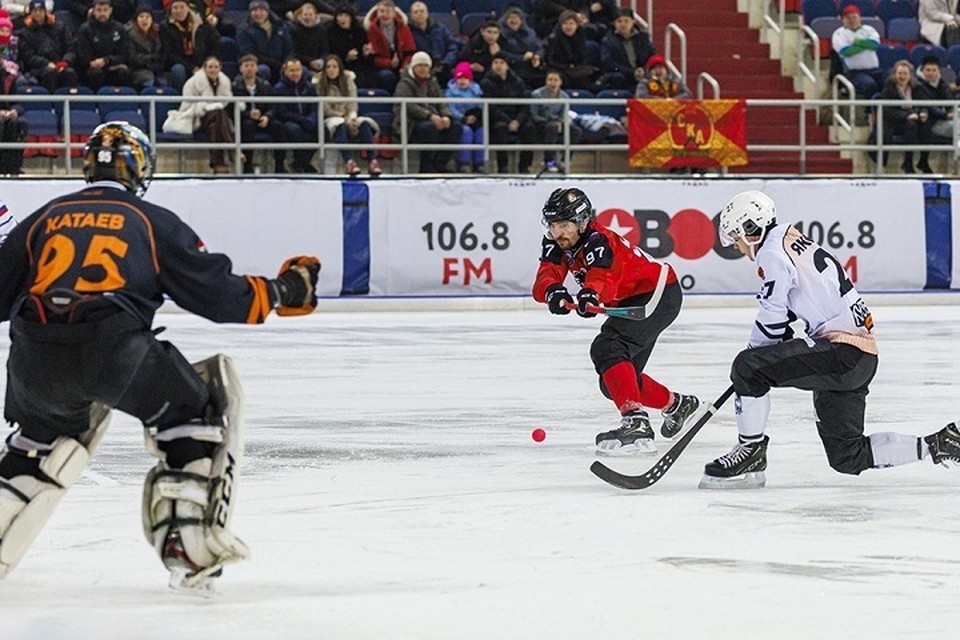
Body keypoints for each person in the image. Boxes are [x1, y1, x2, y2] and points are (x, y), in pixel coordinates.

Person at [0, 121, 320, 589]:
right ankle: (185, 540)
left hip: (33, 358)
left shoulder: (44, 218)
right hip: (114, 350)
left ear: (88, 165)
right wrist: (284, 289)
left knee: (39, 442)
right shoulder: (151, 220)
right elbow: (218, 296)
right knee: (197, 409)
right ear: (141, 167)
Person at [701, 190, 960, 489]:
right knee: (846, 456)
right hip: (858, 357)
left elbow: (772, 313)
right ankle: (938, 445)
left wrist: (750, 364)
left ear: (751, 227)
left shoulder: (770, 253)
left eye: (736, 234)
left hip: (842, 352)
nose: (735, 244)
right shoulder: (788, 238)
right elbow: (798, 302)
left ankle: (750, 450)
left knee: (748, 366)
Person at [532, 187, 700, 455]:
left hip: (656, 292)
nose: (558, 232)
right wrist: (552, 290)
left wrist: (590, 293)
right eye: (553, 225)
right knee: (615, 382)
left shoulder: (599, 240)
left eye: (564, 225)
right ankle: (678, 405)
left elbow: (603, 277)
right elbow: (545, 276)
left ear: (582, 221)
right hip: (630, 300)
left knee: (607, 348)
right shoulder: (555, 242)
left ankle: (636, 423)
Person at [392, 50, 461, 173]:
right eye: (419, 65)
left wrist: (446, 116)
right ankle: (426, 166)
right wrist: (429, 116)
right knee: (429, 128)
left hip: (433, 118)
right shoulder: (404, 83)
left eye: (425, 66)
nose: (422, 69)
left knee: (455, 126)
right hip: (410, 122)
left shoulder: (432, 82)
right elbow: (409, 106)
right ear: (413, 66)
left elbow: (441, 101)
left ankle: (440, 164)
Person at [314, 53, 382, 176]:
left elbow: (352, 102)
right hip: (331, 118)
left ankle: (373, 160)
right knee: (338, 125)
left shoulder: (348, 81)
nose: (331, 70)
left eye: (334, 66)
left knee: (364, 123)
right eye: (328, 67)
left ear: (340, 68)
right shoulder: (319, 84)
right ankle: (349, 162)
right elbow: (325, 108)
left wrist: (351, 117)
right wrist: (343, 118)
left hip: (348, 116)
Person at [179, 55, 236, 173]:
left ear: (220, 68)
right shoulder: (192, 83)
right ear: (204, 68)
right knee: (218, 112)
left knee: (214, 125)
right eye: (210, 67)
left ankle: (218, 164)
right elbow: (188, 105)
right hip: (196, 116)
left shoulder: (225, 83)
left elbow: (227, 102)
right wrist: (206, 107)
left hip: (216, 121)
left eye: (216, 67)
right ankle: (232, 148)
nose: (213, 70)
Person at [232, 52, 287, 173]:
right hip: (245, 119)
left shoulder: (265, 86)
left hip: (263, 118)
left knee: (278, 126)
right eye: (246, 65)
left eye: (252, 65)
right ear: (241, 68)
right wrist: (248, 114)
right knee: (247, 126)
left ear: (257, 68)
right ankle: (247, 165)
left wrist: (267, 116)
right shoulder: (235, 86)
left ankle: (279, 164)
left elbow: (273, 107)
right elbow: (231, 110)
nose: (249, 68)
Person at [481, 52, 535, 174]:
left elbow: (524, 105)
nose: (498, 65)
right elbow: (491, 107)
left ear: (507, 65)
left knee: (529, 128)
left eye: (502, 63)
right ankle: (503, 166)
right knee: (500, 128)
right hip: (498, 118)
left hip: (516, 117)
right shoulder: (486, 83)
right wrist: (508, 121)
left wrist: (517, 121)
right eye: (495, 63)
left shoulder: (517, 82)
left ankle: (524, 166)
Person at [874, 60, 925, 174]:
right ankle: (908, 163)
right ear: (895, 74)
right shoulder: (889, 88)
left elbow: (923, 104)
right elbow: (887, 110)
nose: (902, 76)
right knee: (911, 125)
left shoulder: (916, 88)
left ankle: (921, 162)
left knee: (922, 126)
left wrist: (922, 112)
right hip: (893, 122)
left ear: (910, 75)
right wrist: (906, 116)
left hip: (912, 121)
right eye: (900, 73)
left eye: (905, 74)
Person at [16, 0, 78, 94]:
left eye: (40, 10)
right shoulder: (25, 33)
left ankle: (71, 105)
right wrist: (46, 63)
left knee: (70, 73)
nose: (37, 13)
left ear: (45, 11)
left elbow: (70, 48)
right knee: (50, 74)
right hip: (39, 68)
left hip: (61, 64)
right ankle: (50, 104)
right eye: (35, 10)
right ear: (30, 13)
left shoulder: (60, 27)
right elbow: (28, 57)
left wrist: (65, 62)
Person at [159, 0, 219, 92]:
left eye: (182, 7)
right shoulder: (165, 27)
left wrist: (205, 64)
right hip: (180, 62)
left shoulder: (200, 22)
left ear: (188, 8)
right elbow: (169, 54)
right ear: (170, 10)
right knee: (178, 70)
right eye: (175, 8)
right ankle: (179, 97)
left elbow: (213, 43)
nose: (178, 11)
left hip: (200, 61)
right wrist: (192, 68)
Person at [273, 56, 319, 173]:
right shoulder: (279, 88)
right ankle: (301, 162)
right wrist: (302, 119)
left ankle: (301, 162)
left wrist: (311, 118)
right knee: (295, 130)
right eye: (292, 70)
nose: (295, 73)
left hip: (306, 118)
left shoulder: (309, 87)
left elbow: (315, 106)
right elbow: (282, 112)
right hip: (289, 120)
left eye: (297, 70)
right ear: (286, 71)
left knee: (323, 129)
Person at [75, 0, 133, 91]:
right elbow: (84, 57)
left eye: (105, 10)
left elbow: (124, 54)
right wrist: (103, 64)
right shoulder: (85, 29)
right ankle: (95, 103)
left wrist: (107, 61)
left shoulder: (119, 28)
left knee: (124, 73)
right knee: (95, 74)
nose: (102, 13)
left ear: (110, 10)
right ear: (93, 11)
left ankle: (124, 103)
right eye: (99, 10)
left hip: (112, 66)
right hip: (92, 70)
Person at [831, 3, 884, 100]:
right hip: (853, 72)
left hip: (874, 70)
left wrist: (857, 42)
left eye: (854, 17)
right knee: (869, 84)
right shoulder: (839, 33)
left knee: (889, 82)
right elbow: (846, 51)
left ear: (859, 18)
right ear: (843, 19)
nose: (851, 20)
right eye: (848, 18)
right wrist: (865, 45)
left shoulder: (869, 30)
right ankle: (870, 113)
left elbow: (874, 45)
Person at [362, 0, 415, 93]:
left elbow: (410, 51)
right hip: (380, 68)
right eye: (382, 11)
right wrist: (389, 64)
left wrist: (404, 67)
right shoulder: (371, 29)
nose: (385, 15)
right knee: (387, 76)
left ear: (394, 13)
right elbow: (373, 57)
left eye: (388, 12)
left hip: (402, 65)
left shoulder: (403, 27)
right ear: (377, 13)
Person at [914, 55, 954, 174]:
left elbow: (950, 101)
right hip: (930, 123)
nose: (931, 73)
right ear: (922, 70)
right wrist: (945, 116)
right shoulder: (917, 86)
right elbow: (928, 106)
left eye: (934, 70)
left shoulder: (941, 83)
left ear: (938, 71)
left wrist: (951, 112)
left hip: (944, 120)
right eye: (928, 70)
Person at [531, 67, 576, 173]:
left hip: (558, 123)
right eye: (550, 80)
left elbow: (564, 114)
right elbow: (535, 115)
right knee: (552, 127)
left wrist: (560, 122)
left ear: (560, 82)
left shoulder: (565, 96)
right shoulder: (537, 95)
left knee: (575, 131)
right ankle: (549, 162)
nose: (553, 83)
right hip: (541, 123)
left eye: (555, 80)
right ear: (546, 81)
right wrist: (553, 122)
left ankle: (564, 161)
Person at [236, 0, 293, 83]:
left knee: (299, 70)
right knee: (263, 69)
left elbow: (289, 48)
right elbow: (249, 54)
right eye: (254, 10)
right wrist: (277, 64)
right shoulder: (244, 30)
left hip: (282, 64)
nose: (258, 13)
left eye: (261, 10)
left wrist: (287, 63)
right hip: (261, 65)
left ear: (267, 12)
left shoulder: (280, 25)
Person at [599, 7, 654, 92]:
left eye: (626, 21)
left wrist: (644, 70)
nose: (623, 24)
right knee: (617, 77)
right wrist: (631, 72)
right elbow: (608, 63)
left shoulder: (643, 37)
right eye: (619, 21)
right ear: (614, 23)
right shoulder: (608, 40)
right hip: (622, 75)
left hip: (643, 73)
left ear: (633, 22)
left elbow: (652, 55)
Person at [444, 60, 484, 173]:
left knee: (481, 132)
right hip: (459, 120)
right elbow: (450, 108)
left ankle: (479, 162)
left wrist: (476, 117)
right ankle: (463, 162)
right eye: (459, 78)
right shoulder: (450, 92)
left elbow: (480, 106)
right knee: (466, 132)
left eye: (465, 78)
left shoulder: (476, 91)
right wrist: (463, 118)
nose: (462, 81)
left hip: (474, 119)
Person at [326, 3, 377, 90]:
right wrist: (346, 57)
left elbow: (367, 56)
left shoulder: (359, 31)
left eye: (346, 16)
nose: (343, 19)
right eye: (340, 15)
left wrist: (366, 54)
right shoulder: (331, 33)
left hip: (360, 65)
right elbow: (329, 53)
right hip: (341, 66)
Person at [408, 1, 458, 85]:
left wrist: (446, 63)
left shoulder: (440, 29)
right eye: (416, 12)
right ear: (411, 15)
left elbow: (452, 47)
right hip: (420, 67)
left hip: (442, 66)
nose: (419, 14)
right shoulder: (408, 32)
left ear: (427, 13)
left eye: (422, 11)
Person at [125, 4, 163, 89]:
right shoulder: (129, 34)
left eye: (147, 17)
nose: (144, 20)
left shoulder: (157, 33)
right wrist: (151, 59)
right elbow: (132, 58)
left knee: (164, 80)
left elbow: (160, 54)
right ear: (136, 19)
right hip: (136, 69)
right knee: (148, 78)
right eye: (141, 16)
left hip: (155, 68)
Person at [289, 0, 328, 76]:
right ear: (300, 15)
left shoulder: (322, 30)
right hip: (301, 64)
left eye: (310, 14)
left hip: (318, 63)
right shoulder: (293, 29)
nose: (308, 17)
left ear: (315, 15)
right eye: (305, 14)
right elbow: (293, 52)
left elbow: (325, 50)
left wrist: (321, 60)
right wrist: (310, 62)